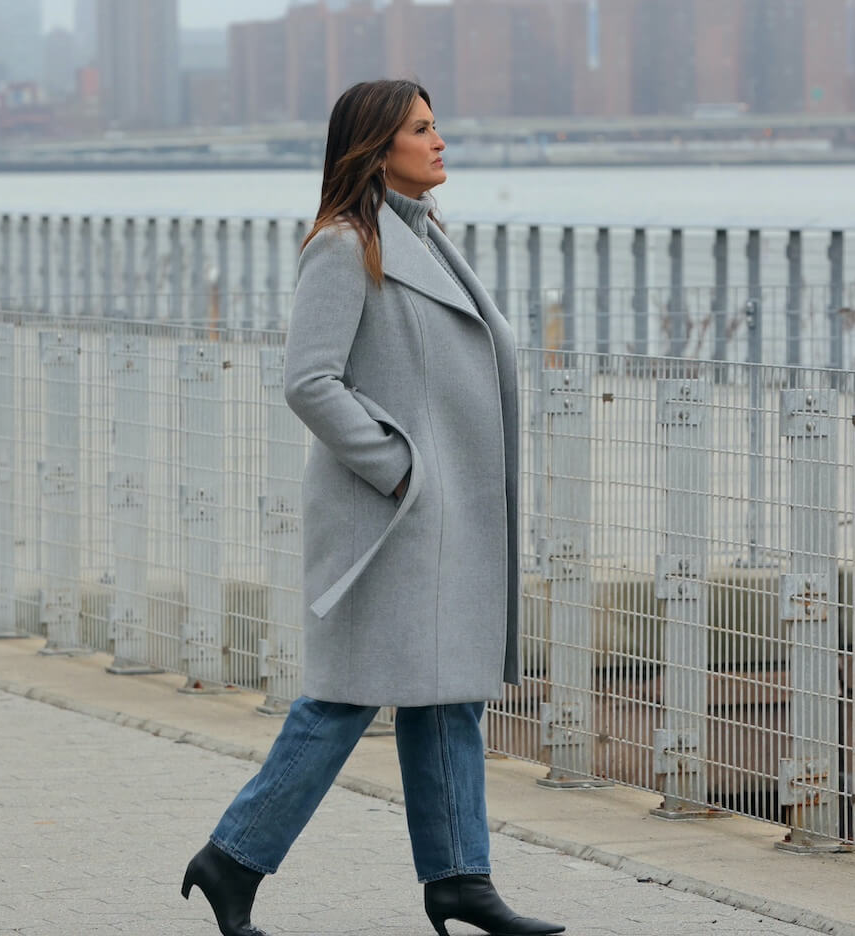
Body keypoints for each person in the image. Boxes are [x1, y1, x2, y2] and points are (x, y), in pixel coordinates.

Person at [181, 79, 565, 936]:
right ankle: (233, 858)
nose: (441, 141)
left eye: (437, 126)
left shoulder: (423, 236)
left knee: (448, 693)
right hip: (391, 520)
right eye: (422, 129)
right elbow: (309, 381)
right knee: (347, 698)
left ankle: (461, 879)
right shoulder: (345, 244)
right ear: (375, 147)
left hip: (442, 517)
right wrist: (401, 471)